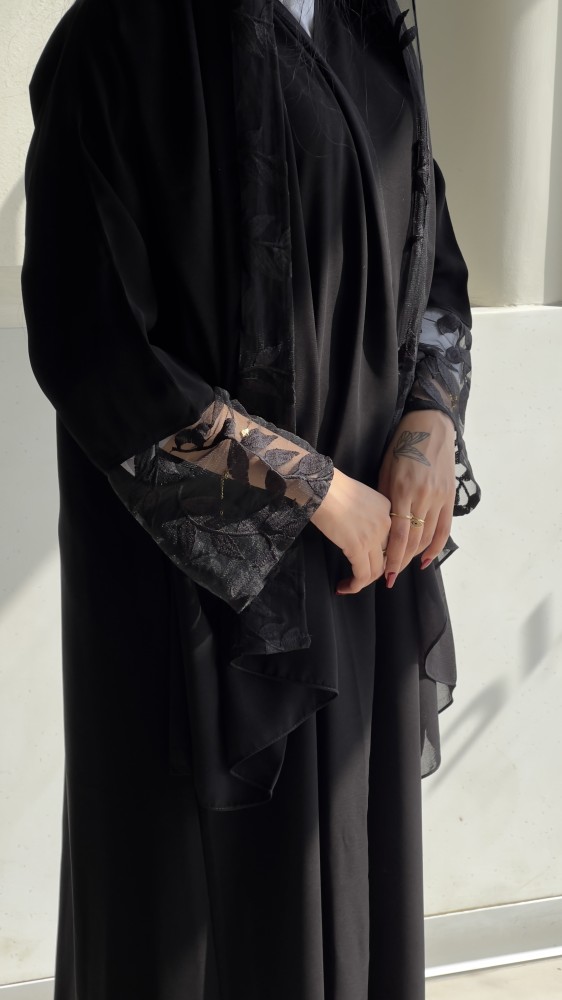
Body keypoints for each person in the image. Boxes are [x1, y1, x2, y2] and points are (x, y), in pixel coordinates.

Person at [21, 0, 481, 997]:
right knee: (189, 910)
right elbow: (90, 339)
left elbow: (430, 264)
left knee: (342, 876)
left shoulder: (368, 31)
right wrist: (309, 490)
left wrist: (429, 422)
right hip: (190, 582)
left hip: (361, 558)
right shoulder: (121, 36)